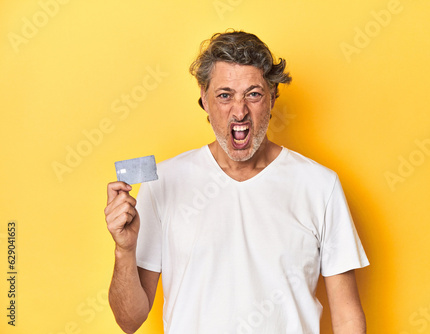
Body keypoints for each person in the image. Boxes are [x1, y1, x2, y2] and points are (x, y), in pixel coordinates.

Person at [104, 30, 369, 334]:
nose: (239, 110)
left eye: (253, 94)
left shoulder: (320, 185)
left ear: (272, 98)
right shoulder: (164, 182)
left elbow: (347, 317)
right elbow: (129, 320)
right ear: (204, 99)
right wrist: (124, 250)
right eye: (225, 95)